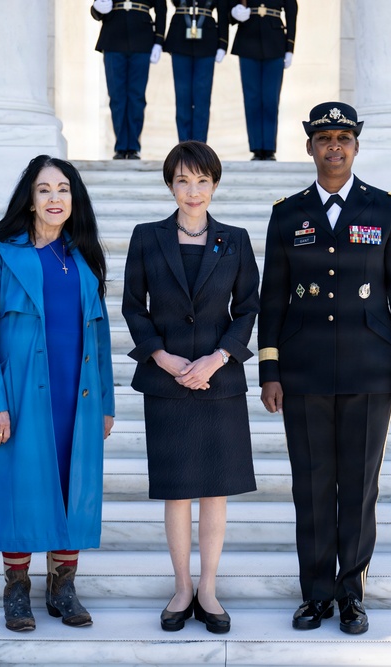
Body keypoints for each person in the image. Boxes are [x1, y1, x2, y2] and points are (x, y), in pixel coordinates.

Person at [257, 102, 391, 635]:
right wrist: (270, 371)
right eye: (324, 137)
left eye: (343, 137)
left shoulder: (385, 210)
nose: (334, 146)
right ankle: (315, 596)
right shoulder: (287, 214)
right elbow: (272, 297)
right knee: (311, 487)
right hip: (302, 372)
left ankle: (351, 595)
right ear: (309, 147)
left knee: (358, 487)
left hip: (370, 371)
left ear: (356, 146)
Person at [0, 155, 115, 632]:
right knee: (21, 486)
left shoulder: (83, 256)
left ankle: (62, 588)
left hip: (78, 393)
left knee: (73, 487)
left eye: (64, 189)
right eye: (45, 190)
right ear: (29, 200)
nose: (55, 199)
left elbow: (102, 335)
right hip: (21, 393)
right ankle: (16, 590)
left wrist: (107, 404)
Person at [122, 141, 260, 634]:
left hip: (218, 382)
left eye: (202, 180)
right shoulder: (146, 237)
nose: (193, 190)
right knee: (178, 493)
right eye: (183, 180)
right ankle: (182, 588)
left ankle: (208, 588)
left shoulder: (237, 240)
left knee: (215, 493)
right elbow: (133, 306)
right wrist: (160, 354)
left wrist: (218, 357)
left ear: (215, 185)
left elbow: (247, 308)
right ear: (170, 185)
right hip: (167, 382)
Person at [91, 0, 167, 159]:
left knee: (136, 97)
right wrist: (96, 9)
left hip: (142, 38)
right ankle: (120, 146)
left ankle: (133, 146)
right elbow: (99, 7)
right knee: (117, 96)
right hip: (113, 38)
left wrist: (159, 41)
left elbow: (161, 8)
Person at [228, 1, 298, 161]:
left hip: (275, 43)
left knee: (270, 99)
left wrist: (290, 48)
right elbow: (230, 7)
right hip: (247, 41)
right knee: (251, 99)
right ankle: (256, 147)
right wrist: (234, 12)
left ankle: (269, 147)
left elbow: (292, 13)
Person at [163, 0, 230, 143]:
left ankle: (200, 147)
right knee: (182, 98)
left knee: (202, 99)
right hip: (180, 36)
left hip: (207, 38)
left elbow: (223, 10)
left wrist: (223, 42)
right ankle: (184, 146)